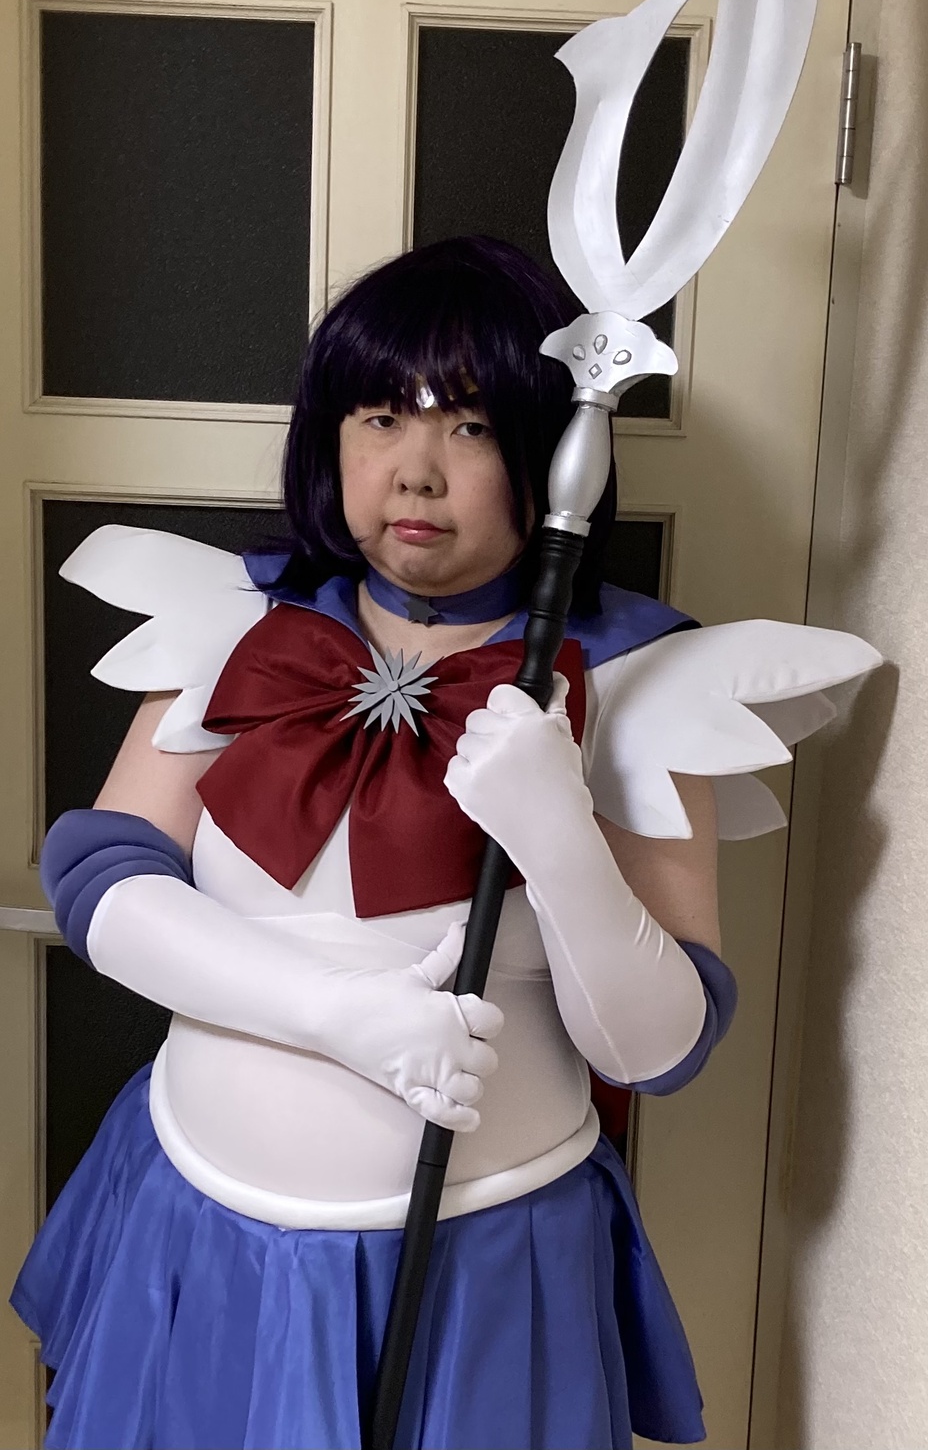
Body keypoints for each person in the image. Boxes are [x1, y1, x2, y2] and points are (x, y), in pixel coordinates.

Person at [12, 237, 877, 1450]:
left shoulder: (639, 687)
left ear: (548, 453)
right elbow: (102, 884)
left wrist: (558, 835)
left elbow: (658, 1050)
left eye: (469, 426)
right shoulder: (229, 630)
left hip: (484, 1270)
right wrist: (338, 1016)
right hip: (198, 1237)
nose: (415, 472)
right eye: (380, 417)